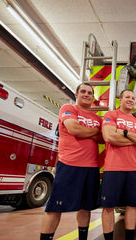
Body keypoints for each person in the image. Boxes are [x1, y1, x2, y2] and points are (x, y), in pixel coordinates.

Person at [40, 83, 103, 240]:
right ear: (76, 94)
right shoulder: (69, 108)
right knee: (55, 208)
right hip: (69, 165)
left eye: (89, 92)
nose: (86, 94)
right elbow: (74, 129)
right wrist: (94, 131)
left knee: (86, 207)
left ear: (93, 97)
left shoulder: (97, 118)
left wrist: (85, 131)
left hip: (91, 168)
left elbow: (103, 138)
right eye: (83, 91)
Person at [100, 89, 136, 240]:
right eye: (127, 97)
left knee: (132, 206)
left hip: (134, 169)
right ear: (120, 100)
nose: (130, 100)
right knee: (108, 207)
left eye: (133, 98)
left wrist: (125, 133)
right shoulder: (111, 115)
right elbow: (109, 137)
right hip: (113, 168)